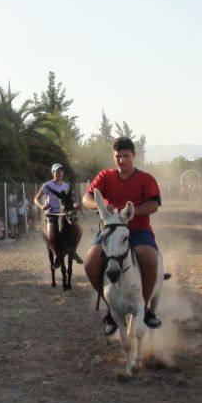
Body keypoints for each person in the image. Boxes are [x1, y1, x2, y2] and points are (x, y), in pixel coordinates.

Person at [83, 137, 163, 333]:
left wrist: (132, 211)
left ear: (134, 156)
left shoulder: (146, 179)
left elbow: (153, 205)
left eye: (126, 156)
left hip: (138, 230)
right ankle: (110, 309)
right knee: (90, 261)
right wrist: (99, 206)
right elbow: (87, 198)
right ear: (114, 157)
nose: (121, 160)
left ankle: (146, 309)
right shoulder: (105, 177)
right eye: (118, 156)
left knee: (149, 256)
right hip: (110, 231)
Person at [35, 163, 71, 248]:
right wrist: (42, 206)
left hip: (64, 213)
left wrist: (74, 204)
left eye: (61, 171)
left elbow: (69, 199)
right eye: (57, 171)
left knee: (76, 229)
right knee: (51, 235)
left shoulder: (67, 186)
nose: (59, 173)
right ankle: (55, 250)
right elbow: (36, 199)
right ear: (52, 173)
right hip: (52, 214)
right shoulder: (47, 185)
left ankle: (72, 251)